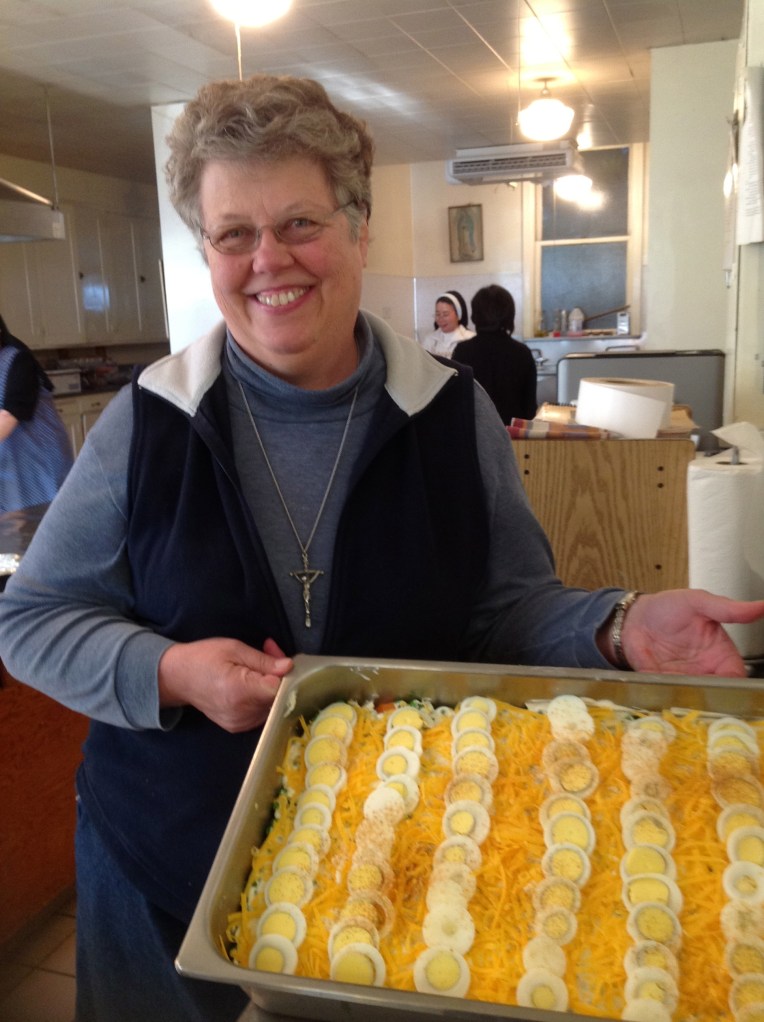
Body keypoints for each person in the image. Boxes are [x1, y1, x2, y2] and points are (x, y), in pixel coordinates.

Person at [0, 73, 762, 1022]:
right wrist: (170, 671)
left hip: (394, 870)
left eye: (300, 224)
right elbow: (29, 619)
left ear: (359, 230)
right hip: (161, 865)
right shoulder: (147, 420)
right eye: (234, 232)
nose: (268, 259)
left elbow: (505, 609)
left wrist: (622, 625)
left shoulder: (451, 413)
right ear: (208, 253)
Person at [0, 315, 73, 513]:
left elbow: (8, 416)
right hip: (9, 468)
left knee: (44, 524)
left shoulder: (18, 360)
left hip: (37, 462)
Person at [453, 284, 538, 423]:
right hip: (513, 437)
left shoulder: (462, 351)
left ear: (475, 316)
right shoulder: (522, 353)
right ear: (510, 315)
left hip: (475, 437)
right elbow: (529, 409)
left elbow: (456, 403)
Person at [422, 289, 474, 357]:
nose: (440, 319)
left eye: (445, 314)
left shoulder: (470, 339)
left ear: (458, 315)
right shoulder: (429, 340)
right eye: (437, 314)